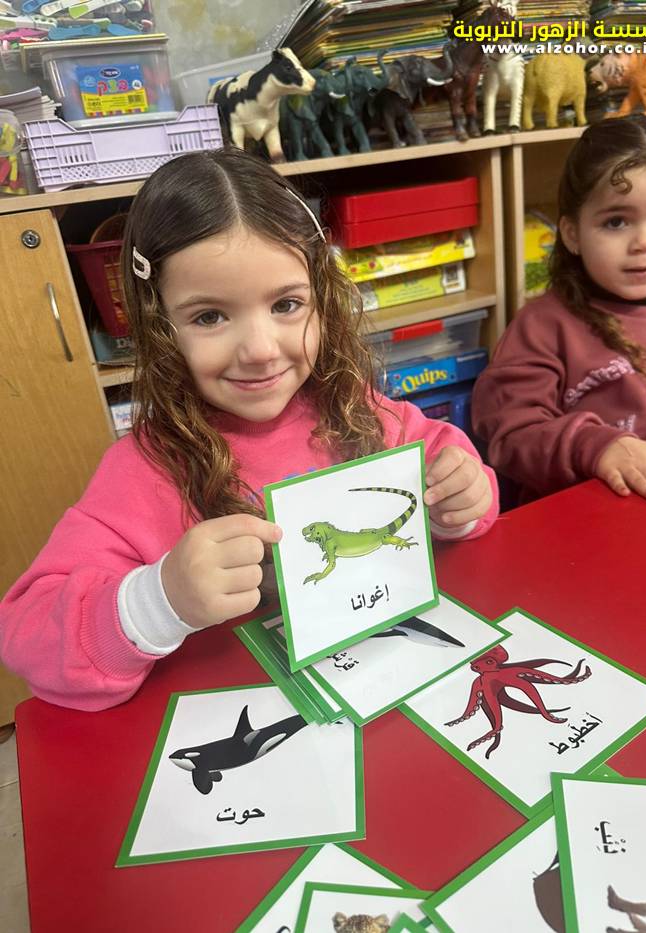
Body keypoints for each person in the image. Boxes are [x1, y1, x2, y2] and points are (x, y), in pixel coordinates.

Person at [0, 148, 498, 711]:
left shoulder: (354, 409)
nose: (260, 350)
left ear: (322, 300)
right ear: (160, 327)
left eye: (287, 304)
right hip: (259, 716)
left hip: (390, 689)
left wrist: (460, 501)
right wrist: (159, 600)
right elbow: (25, 634)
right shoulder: (144, 472)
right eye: (209, 316)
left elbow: (450, 463)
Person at [473, 114, 646, 503]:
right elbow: (510, 435)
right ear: (573, 233)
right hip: (589, 516)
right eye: (616, 222)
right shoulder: (543, 326)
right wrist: (595, 447)